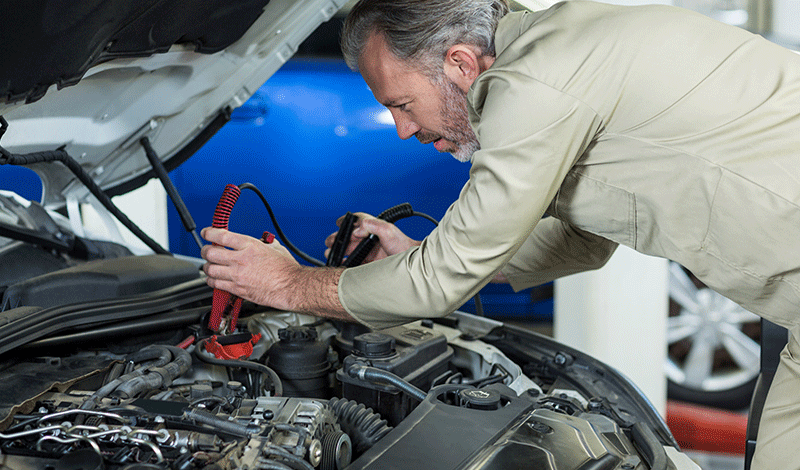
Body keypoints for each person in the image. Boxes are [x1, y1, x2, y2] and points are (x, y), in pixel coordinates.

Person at [201, 0, 800, 467]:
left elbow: (438, 284)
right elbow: (583, 238)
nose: (403, 129)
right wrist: (417, 257)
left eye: (403, 103)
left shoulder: (535, 83)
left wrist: (289, 284)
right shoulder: (561, 49)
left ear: (461, 63)